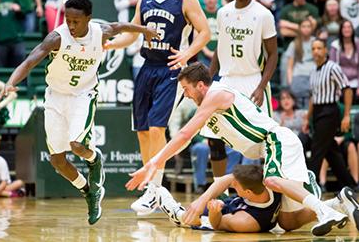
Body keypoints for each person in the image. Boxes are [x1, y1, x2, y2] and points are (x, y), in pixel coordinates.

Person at [126, 62, 356, 236]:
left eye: (186, 89)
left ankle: (324, 211)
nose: (185, 94)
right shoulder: (209, 106)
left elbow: (185, 133)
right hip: (267, 149)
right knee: (286, 222)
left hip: (273, 140)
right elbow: (186, 140)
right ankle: (337, 203)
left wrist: (152, 163)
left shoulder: (216, 95)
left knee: (272, 182)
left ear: (200, 85)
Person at [0, 0, 159, 225]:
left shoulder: (99, 31)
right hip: (55, 96)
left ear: (88, 19)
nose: (71, 26)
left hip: (83, 95)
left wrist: (144, 30)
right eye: (68, 20)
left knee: (77, 145)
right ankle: (89, 191)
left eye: (76, 21)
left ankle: (95, 159)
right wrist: (11, 82)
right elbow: (30, 61)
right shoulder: (57, 37)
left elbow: (120, 26)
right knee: (57, 161)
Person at [104, 0, 211, 216]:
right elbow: (133, 33)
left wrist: (187, 54)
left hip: (171, 70)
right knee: (142, 130)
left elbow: (205, 33)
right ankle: (152, 190)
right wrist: (110, 45)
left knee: (156, 128)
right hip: (147, 67)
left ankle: (153, 189)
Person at [203, 0, 278, 192]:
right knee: (214, 138)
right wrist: (209, 78)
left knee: (265, 141)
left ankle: (268, 192)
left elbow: (272, 54)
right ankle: (221, 193)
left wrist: (262, 86)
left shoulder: (263, 15)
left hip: (253, 81)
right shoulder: (223, 12)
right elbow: (221, 47)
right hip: (226, 80)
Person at [157, 164, 282, 232]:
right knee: (211, 198)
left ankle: (177, 214)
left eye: (235, 185)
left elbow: (217, 224)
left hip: (223, 216)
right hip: (237, 202)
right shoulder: (268, 183)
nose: (232, 184)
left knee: (194, 218)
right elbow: (227, 179)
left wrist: (214, 212)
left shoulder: (244, 222)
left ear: (248, 191)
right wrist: (202, 200)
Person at [303, 38, 358, 190]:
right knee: (331, 152)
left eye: (319, 48)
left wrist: (346, 115)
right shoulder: (313, 71)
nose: (316, 51)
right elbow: (313, 97)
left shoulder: (333, 68)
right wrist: (308, 118)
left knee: (317, 150)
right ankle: (351, 184)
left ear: (326, 50)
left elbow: (347, 89)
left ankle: (309, 186)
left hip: (329, 112)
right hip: (317, 113)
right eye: (313, 48)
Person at [285, 18, 316, 108]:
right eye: (303, 26)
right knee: (298, 107)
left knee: (311, 105)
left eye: (308, 26)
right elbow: (289, 66)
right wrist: (290, 82)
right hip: (298, 77)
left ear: (312, 28)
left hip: (313, 76)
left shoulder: (316, 42)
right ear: (300, 28)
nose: (306, 29)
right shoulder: (294, 44)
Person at [329, 20, 359, 102]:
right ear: (341, 30)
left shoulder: (357, 43)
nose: (347, 29)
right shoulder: (335, 45)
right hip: (341, 83)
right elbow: (332, 68)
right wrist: (337, 86)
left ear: (352, 29)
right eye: (344, 27)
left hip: (356, 82)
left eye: (349, 27)